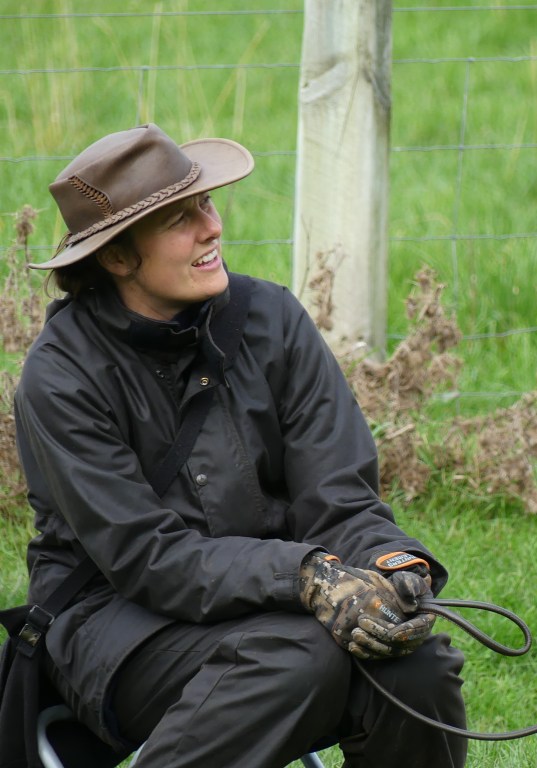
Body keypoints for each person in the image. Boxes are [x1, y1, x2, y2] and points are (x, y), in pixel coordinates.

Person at [13, 123, 467, 767]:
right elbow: (149, 559)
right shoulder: (60, 377)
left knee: (413, 669)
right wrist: (307, 576)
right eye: (179, 218)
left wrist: (395, 565)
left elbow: (339, 495)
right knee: (299, 657)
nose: (211, 227)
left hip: (271, 613)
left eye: (206, 202)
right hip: (115, 625)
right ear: (116, 257)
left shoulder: (273, 321)